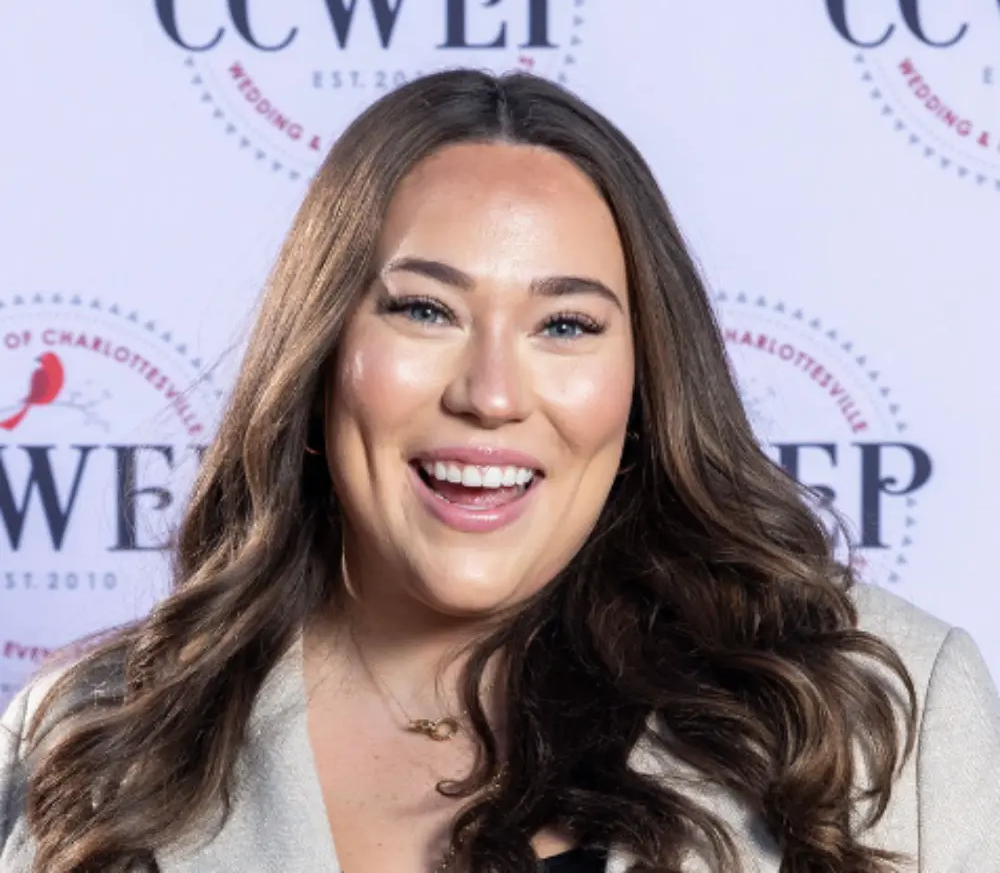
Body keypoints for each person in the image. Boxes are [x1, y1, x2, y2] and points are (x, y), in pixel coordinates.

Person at [1, 68, 998, 873]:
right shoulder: (89, 741)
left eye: (565, 324)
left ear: (644, 389)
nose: (489, 393)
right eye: (424, 310)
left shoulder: (886, 713)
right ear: (318, 359)